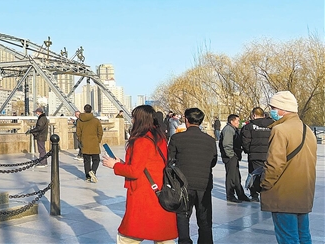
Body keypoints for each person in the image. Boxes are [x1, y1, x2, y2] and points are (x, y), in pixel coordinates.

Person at [102, 104, 178, 244]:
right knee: (162, 234)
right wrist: (123, 163)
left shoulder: (141, 140)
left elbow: (135, 171)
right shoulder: (159, 137)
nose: (132, 120)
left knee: (129, 236)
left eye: (133, 117)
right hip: (159, 188)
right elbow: (147, 164)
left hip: (143, 192)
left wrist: (115, 165)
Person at [261, 91, 317, 244]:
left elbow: (274, 165)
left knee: (288, 238)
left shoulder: (280, 130)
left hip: (284, 195)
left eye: (273, 108)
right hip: (303, 193)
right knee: (304, 236)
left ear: (282, 109)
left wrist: (263, 184)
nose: (271, 111)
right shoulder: (308, 130)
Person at [168, 107, 218, 244]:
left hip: (183, 184)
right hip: (204, 184)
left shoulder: (177, 138)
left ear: (186, 120)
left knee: (183, 216)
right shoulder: (210, 140)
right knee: (205, 219)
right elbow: (213, 161)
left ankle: (184, 241)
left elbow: (170, 160)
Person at [240, 107, 273, 201]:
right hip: (269, 155)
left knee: (254, 175)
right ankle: (267, 194)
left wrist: (249, 151)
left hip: (254, 156)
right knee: (268, 174)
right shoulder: (272, 125)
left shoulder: (249, 127)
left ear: (254, 115)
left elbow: (245, 141)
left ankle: (254, 194)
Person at [219, 114, 251, 203]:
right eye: (237, 121)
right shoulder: (229, 130)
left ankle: (240, 194)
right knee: (231, 177)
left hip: (234, 156)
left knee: (236, 176)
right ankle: (230, 195)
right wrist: (231, 155)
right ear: (232, 121)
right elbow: (227, 144)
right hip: (230, 157)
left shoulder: (233, 129)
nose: (238, 122)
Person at [77, 104, 103, 182]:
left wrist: (81, 140)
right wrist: (98, 140)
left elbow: (78, 132)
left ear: (84, 110)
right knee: (96, 159)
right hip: (94, 142)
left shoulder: (80, 121)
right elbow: (100, 132)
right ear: (91, 110)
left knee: (86, 161)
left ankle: (88, 177)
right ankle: (93, 171)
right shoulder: (96, 120)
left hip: (85, 142)